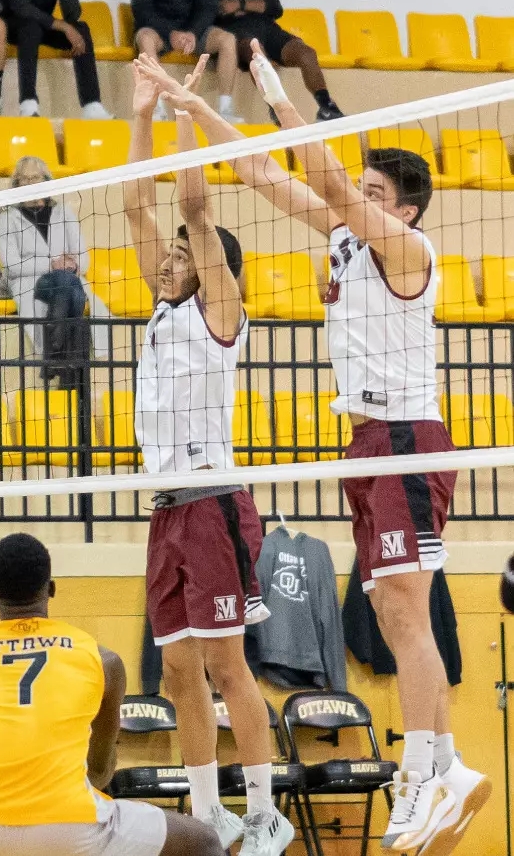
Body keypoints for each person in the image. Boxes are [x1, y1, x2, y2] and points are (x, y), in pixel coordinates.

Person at [139, 44, 489, 855]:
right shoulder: (345, 237)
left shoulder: (411, 254)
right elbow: (262, 174)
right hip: (366, 441)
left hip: (404, 438)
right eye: (362, 189)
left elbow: (330, 185)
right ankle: (446, 766)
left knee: (404, 610)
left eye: (376, 193)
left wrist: (284, 101)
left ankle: (424, 771)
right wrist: (196, 110)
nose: (358, 198)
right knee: (397, 610)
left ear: (406, 212)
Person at [123, 56, 292, 856]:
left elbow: (194, 204)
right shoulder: (162, 309)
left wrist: (188, 110)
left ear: (212, 266)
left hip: (215, 501)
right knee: (177, 672)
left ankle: (261, 811)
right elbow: (135, 202)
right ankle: (206, 812)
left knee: (227, 664)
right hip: (166, 511)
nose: (167, 262)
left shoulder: (220, 313)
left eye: (182, 256)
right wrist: (141, 113)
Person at [0, 532, 223, 856]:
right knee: (205, 841)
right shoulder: (102, 660)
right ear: (51, 588)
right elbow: (99, 770)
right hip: (71, 824)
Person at [212, 0, 344, 123]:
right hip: (241, 39)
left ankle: (326, 107)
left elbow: (275, 7)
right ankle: (277, 108)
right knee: (257, 55)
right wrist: (253, 6)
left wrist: (240, 5)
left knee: (307, 53)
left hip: (271, 33)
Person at [0, 156, 109, 362]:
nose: (30, 183)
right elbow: (12, 265)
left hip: (67, 278)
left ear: (46, 180)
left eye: (35, 178)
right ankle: (56, 358)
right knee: (51, 299)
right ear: (16, 184)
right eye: (24, 179)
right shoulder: (7, 216)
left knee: (74, 293)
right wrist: (52, 265)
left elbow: (83, 260)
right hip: (28, 281)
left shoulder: (64, 212)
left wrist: (72, 265)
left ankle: (61, 357)